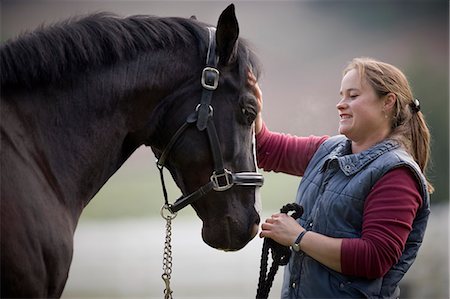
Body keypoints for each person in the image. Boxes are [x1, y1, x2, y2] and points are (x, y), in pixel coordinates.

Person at [248, 57, 433, 298]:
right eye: (341, 95)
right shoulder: (328, 149)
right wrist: (253, 107)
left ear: (388, 102)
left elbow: (374, 258)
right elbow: (265, 149)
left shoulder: (397, 173)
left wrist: (298, 236)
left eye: (353, 96)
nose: (340, 104)